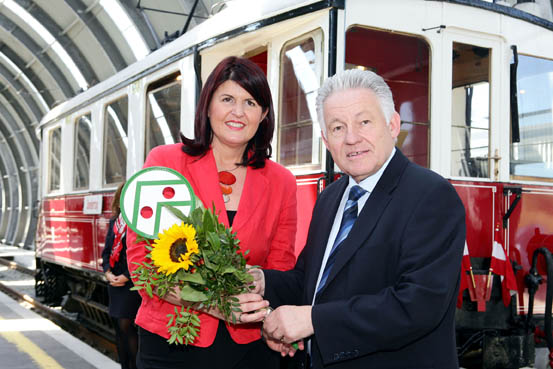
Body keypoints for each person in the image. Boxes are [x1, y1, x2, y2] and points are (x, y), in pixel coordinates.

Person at [253, 69, 466, 368]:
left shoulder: (431, 195)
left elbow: (418, 306)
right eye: (338, 128)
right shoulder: (330, 198)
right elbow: (310, 283)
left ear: (392, 125)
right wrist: (262, 281)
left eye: (364, 122)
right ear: (327, 141)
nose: (352, 138)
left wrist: (312, 320)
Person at [126, 56, 297, 369]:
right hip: (172, 344)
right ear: (207, 105)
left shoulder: (282, 181)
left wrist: (271, 321)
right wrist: (217, 305)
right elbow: (143, 265)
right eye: (228, 99)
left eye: (250, 102)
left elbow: (280, 267)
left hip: (249, 349)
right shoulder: (165, 163)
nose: (238, 112)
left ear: (264, 114)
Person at [102, 182, 141, 369]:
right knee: (118, 327)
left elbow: (141, 253)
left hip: (130, 282)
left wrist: (127, 276)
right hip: (114, 283)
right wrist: (107, 272)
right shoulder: (115, 222)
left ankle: (134, 366)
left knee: (127, 326)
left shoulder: (140, 222)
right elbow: (107, 250)